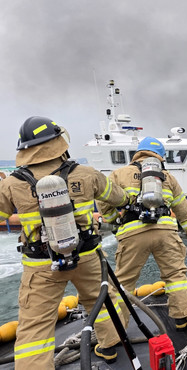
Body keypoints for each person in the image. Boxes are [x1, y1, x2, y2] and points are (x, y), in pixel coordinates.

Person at [0, 116, 130, 367]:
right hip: (87, 255)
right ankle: (110, 346)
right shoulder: (87, 174)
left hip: (40, 265)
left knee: (35, 325)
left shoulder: (12, 184)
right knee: (102, 301)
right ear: (59, 142)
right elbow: (118, 197)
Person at [97, 137, 187, 333]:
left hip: (132, 232)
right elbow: (182, 209)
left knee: (122, 283)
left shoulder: (118, 174)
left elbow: (103, 202)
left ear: (138, 153)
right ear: (160, 157)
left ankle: (116, 330)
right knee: (175, 276)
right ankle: (181, 319)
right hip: (165, 232)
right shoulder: (168, 177)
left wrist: (114, 222)